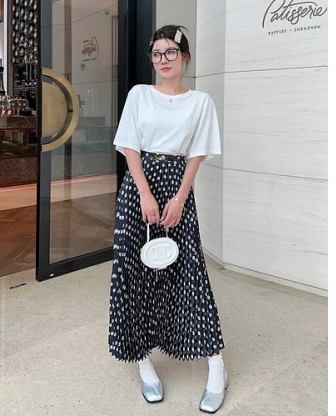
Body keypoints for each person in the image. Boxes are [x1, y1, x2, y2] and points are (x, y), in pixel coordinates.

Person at [108, 25, 228, 413]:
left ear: (185, 57)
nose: (163, 60)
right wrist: (144, 193)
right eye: (157, 53)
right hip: (138, 188)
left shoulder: (200, 102)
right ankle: (143, 360)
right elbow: (130, 146)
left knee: (189, 270)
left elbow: (197, 153)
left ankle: (216, 366)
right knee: (133, 271)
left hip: (177, 188)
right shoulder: (139, 95)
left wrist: (179, 197)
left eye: (171, 52)